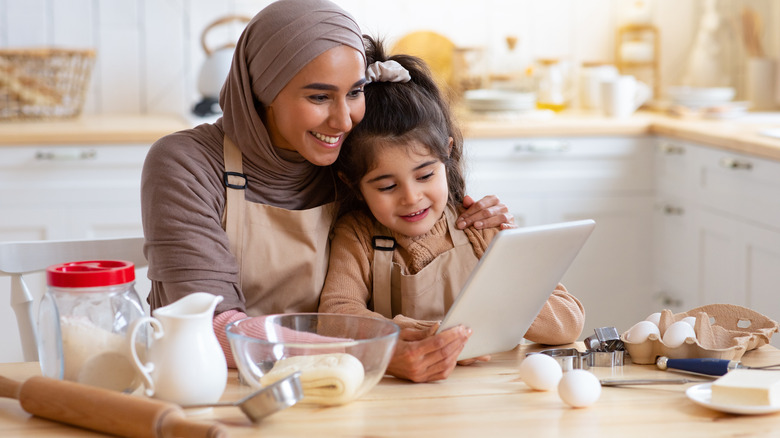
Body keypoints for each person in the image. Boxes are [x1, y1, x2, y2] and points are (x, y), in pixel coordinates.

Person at [140, 0, 512, 382]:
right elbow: (211, 329)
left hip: (342, 383)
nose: (343, 120)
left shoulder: (350, 159)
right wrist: (369, 353)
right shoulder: (185, 164)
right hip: (212, 384)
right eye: (319, 97)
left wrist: (481, 228)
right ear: (263, 91)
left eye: (354, 92)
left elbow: (415, 223)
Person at [319, 37, 585, 381]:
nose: (411, 197)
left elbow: (569, 323)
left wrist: (509, 279)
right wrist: (420, 332)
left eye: (425, 174)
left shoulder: (480, 225)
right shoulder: (357, 234)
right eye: (387, 186)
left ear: (447, 152)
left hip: (485, 398)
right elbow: (336, 316)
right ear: (354, 183)